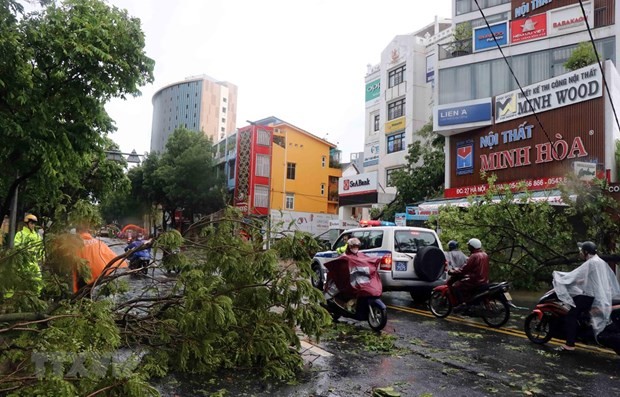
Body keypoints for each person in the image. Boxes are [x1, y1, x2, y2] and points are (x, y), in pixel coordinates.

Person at [552, 241, 620, 352]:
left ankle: (570, 344)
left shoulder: (590, 263)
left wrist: (559, 278)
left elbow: (574, 275)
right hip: (599, 296)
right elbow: (590, 278)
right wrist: (579, 282)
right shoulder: (600, 262)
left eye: (581, 251)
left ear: (586, 252)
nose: (580, 254)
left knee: (571, 316)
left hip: (590, 297)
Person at [73, 225, 127, 293]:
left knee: (82, 293)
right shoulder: (98, 242)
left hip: (83, 274)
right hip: (96, 273)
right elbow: (110, 256)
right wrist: (123, 263)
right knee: (88, 291)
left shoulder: (74, 244)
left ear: (77, 232)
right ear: (88, 231)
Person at [448, 238, 489, 307]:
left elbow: (464, 269)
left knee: (456, 286)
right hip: (484, 280)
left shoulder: (474, 256)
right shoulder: (485, 255)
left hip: (475, 281)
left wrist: (453, 271)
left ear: (472, 246)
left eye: (469, 246)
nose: (468, 247)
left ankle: (462, 304)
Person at [11, 214, 44, 296]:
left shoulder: (37, 235)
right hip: (23, 263)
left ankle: (35, 298)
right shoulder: (20, 234)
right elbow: (16, 246)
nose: (33, 225)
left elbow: (40, 247)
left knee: (38, 280)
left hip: (34, 263)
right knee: (21, 282)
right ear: (27, 223)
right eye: (32, 223)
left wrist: (42, 257)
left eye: (34, 223)